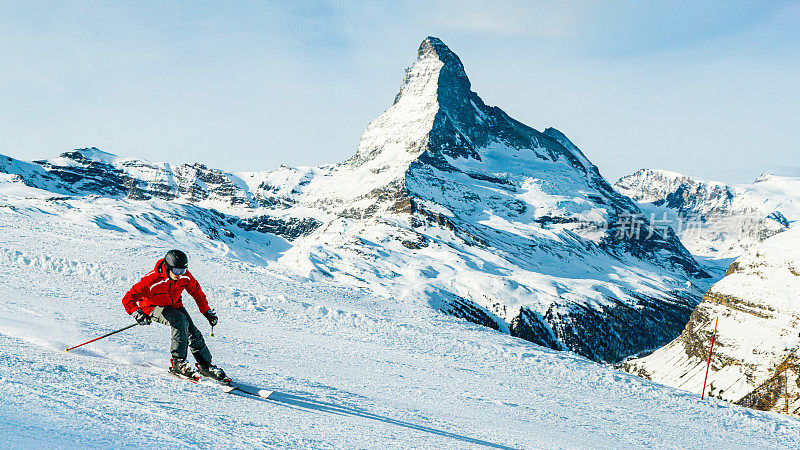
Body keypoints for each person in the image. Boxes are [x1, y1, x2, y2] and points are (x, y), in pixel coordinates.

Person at [122, 249, 227, 381]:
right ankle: (178, 363)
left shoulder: (185, 276)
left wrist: (207, 312)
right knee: (179, 320)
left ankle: (206, 366)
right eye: (177, 271)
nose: (180, 274)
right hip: (152, 307)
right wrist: (137, 313)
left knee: (192, 331)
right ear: (168, 267)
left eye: (183, 270)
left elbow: (197, 293)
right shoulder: (152, 279)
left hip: (175, 306)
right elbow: (127, 298)